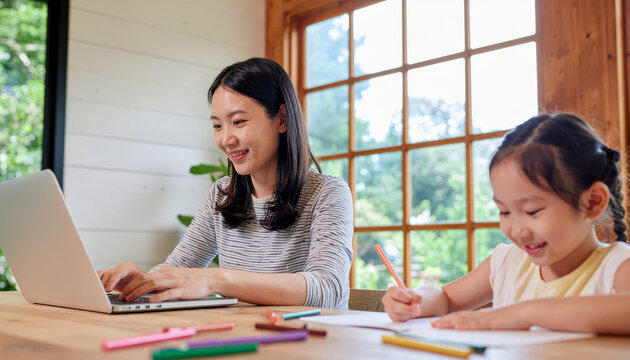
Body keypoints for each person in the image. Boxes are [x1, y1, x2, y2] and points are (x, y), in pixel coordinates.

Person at [98, 57, 353, 309]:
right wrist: (142, 282)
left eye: (238, 122)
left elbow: (328, 288)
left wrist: (216, 279)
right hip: (240, 341)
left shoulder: (328, 194)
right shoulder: (221, 194)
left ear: (282, 119)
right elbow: (180, 269)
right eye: (218, 125)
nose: (226, 140)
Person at [382, 113, 630, 334]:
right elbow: (446, 299)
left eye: (532, 211)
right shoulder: (508, 262)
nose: (517, 230)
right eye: (504, 211)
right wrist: (416, 300)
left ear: (593, 202)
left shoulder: (617, 266)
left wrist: (525, 313)